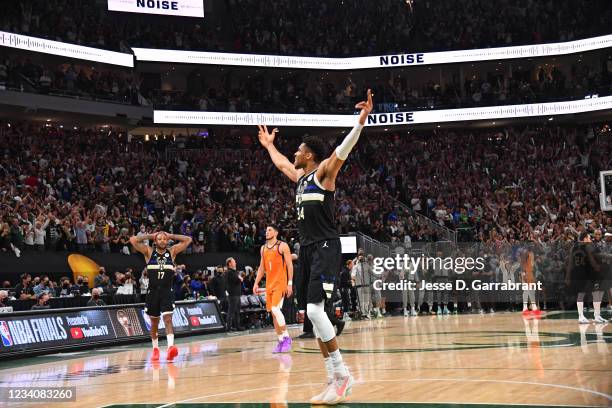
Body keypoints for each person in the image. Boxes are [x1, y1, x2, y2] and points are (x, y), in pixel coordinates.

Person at [257, 88, 373, 404]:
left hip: (325, 246)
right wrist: (269, 146)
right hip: (308, 248)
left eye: (299, 149)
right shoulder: (300, 177)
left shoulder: (322, 174)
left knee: (313, 310)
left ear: (309, 155)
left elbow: (340, 152)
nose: (294, 151)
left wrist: (360, 122)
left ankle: (343, 374)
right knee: (313, 315)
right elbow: (282, 164)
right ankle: (333, 379)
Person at [130, 231, 192, 361]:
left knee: (168, 319)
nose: (163, 240)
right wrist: (149, 236)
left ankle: (170, 348)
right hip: (153, 292)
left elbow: (188, 240)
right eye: (160, 239)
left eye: (164, 239)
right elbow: (133, 240)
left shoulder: (172, 251)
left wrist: (171, 235)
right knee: (154, 323)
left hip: (166, 291)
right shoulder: (148, 251)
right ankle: (155, 349)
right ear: (155, 241)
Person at [253, 225, 294, 353]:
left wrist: (290, 283)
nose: (267, 232)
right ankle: (281, 340)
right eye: (266, 230)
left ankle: (287, 337)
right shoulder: (263, 248)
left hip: (280, 283)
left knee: (276, 309)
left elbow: (289, 265)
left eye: (269, 230)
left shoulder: (282, 246)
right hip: (269, 284)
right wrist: (256, 283)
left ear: (276, 233)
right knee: (273, 315)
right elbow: (261, 268)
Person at [225, 257, 245, 331]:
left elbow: (240, 279)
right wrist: (240, 278)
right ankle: (229, 327)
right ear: (230, 263)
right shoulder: (228, 272)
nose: (235, 263)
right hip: (232, 295)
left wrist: (240, 278)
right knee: (231, 311)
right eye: (234, 262)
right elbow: (236, 280)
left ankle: (237, 326)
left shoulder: (235, 272)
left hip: (237, 294)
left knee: (237, 311)